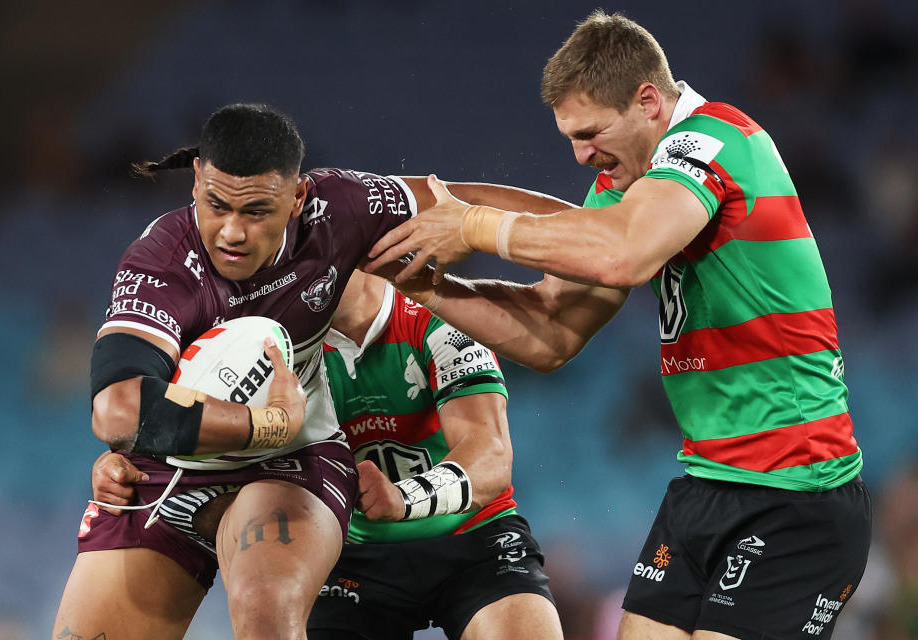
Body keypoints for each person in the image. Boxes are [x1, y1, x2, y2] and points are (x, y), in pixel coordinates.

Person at [364, 10, 872, 640]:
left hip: (797, 493)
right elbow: (551, 335)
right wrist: (432, 288)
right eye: (570, 138)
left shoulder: (715, 139)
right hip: (707, 484)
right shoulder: (628, 185)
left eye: (591, 132)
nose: (580, 156)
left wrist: (473, 225)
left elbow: (624, 252)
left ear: (649, 101)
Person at [57, 102, 573, 640]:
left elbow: (468, 202)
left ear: (299, 198)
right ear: (195, 183)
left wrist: (595, 231)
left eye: (257, 211)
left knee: (265, 606)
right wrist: (248, 426)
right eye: (216, 206)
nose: (232, 232)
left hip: (291, 464)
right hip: (175, 468)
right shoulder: (159, 261)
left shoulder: (348, 217)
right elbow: (118, 410)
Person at [94, 269, 564, 640]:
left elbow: (491, 459)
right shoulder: (257, 345)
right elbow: (195, 453)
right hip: (348, 558)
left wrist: (405, 498)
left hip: (475, 540)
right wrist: (128, 471)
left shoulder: (439, 314)